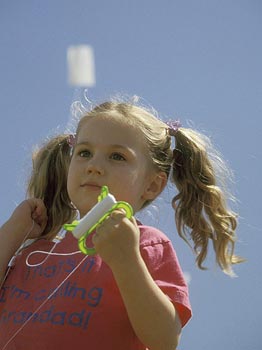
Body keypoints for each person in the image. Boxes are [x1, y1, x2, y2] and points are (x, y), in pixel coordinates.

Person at [0, 98, 242, 349]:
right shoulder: (33, 252)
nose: (94, 166)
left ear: (152, 185)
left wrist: (127, 261)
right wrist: (11, 233)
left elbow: (165, 340)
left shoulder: (145, 244)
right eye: (84, 153)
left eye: (117, 156)